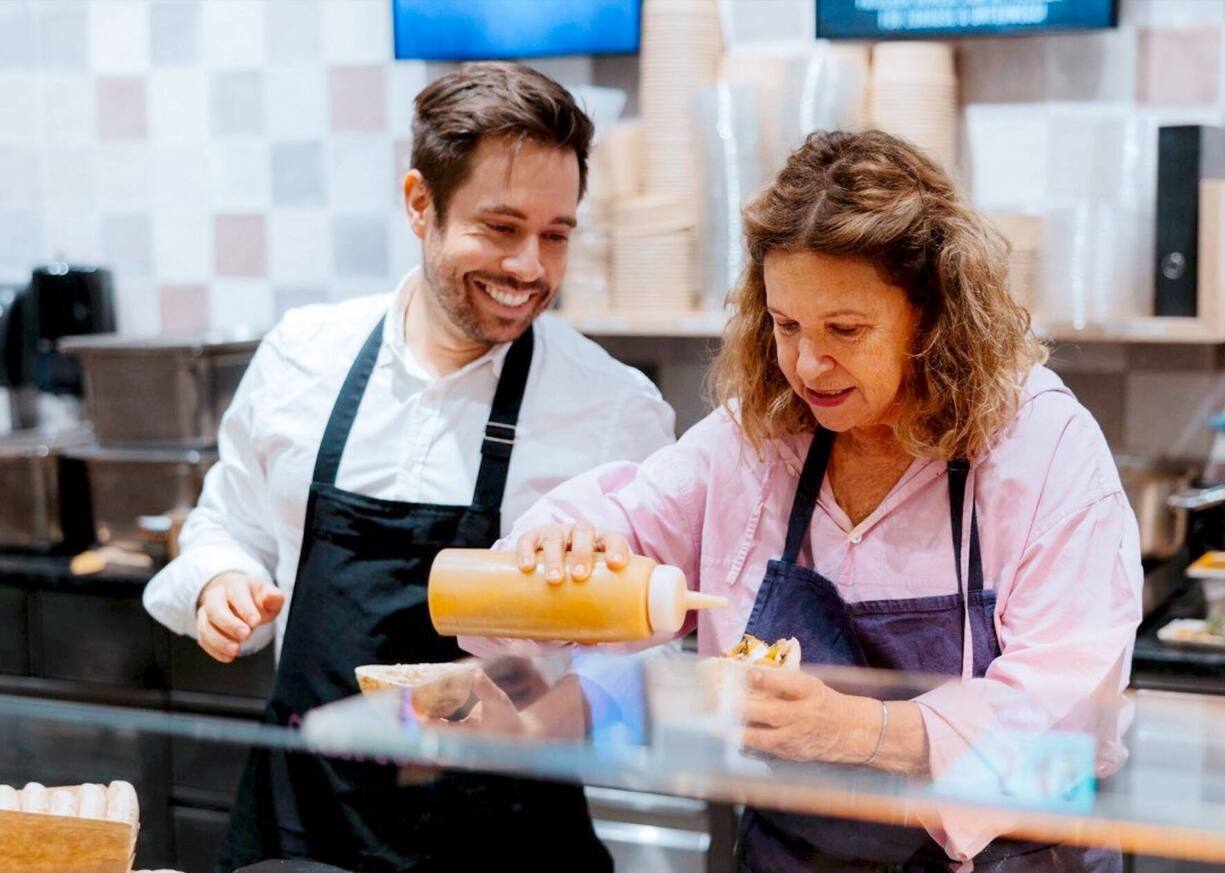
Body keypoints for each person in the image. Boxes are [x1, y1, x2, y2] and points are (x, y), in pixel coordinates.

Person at [473, 129, 1142, 871]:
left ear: (932, 317)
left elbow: (1067, 711)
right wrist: (561, 546)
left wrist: (862, 731)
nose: (808, 364)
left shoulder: (1038, 443)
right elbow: (623, 520)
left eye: (844, 330)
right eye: (786, 325)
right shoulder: (759, 437)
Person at [142, 61, 674, 872]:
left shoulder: (611, 407)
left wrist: (555, 718)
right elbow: (227, 526)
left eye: (556, 234)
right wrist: (220, 581)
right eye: (500, 227)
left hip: (505, 840)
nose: (530, 267)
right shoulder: (302, 358)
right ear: (420, 203)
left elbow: (662, 654)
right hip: (307, 824)